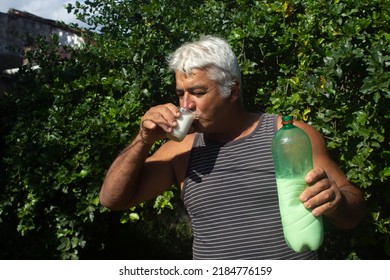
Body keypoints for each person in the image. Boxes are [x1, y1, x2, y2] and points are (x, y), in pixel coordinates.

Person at [99, 35, 366, 259]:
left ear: (233, 90)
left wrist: (337, 201)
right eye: (181, 93)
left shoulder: (287, 135)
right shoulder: (181, 150)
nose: (186, 105)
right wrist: (142, 140)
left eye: (198, 92)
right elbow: (112, 200)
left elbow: (353, 214)